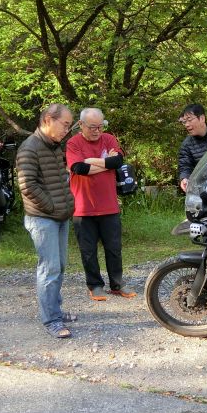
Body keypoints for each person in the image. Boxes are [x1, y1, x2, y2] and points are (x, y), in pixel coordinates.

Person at [16, 103, 76, 339]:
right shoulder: (29, 147)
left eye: (69, 126)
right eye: (65, 125)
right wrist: (52, 207)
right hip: (43, 219)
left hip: (59, 216)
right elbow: (27, 186)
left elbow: (60, 180)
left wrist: (66, 204)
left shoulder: (53, 146)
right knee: (49, 269)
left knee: (58, 266)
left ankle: (55, 310)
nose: (66, 131)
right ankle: (51, 320)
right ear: (49, 119)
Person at [66, 107, 136, 302]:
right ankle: (95, 285)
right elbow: (79, 168)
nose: (97, 131)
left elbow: (118, 161)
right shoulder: (73, 143)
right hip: (83, 208)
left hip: (109, 205)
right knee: (88, 251)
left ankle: (117, 284)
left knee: (114, 248)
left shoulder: (109, 138)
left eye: (100, 126)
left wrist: (92, 161)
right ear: (81, 125)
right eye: (92, 127)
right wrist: (105, 162)